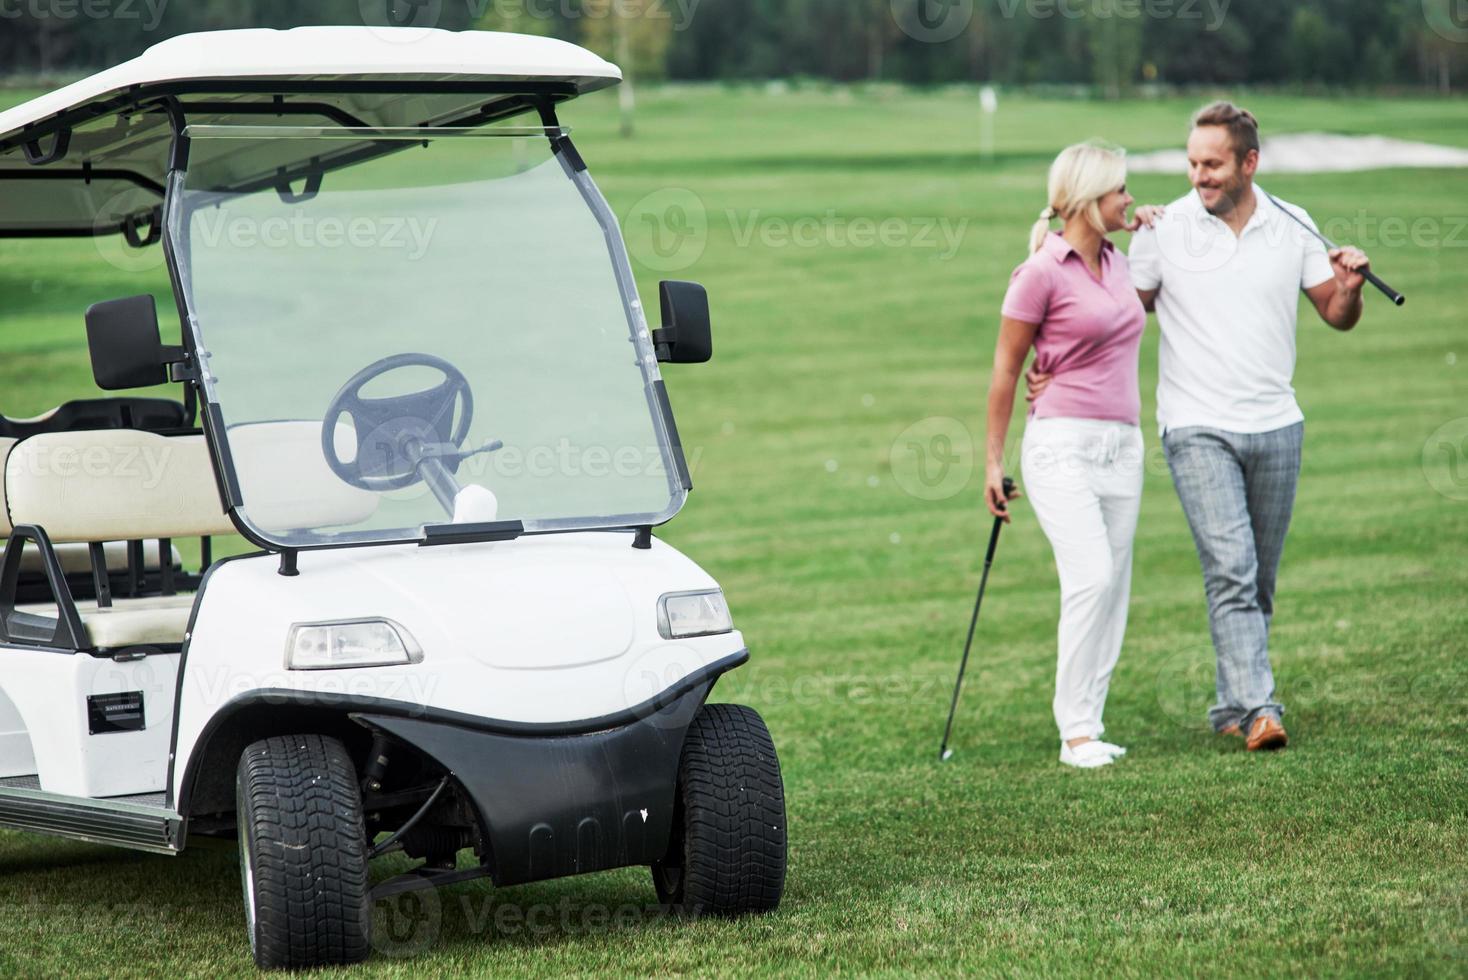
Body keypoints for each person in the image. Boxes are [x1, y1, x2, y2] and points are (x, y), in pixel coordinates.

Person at [1028, 102, 1373, 752]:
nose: (1198, 177)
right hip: (1194, 427)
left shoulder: (1292, 223)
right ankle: (1260, 708)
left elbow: (1335, 312)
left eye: (1211, 164)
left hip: (1277, 425)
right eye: (1192, 163)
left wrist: (1350, 286)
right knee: (1232, 570)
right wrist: (1051, 369)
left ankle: (1230, 702)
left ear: (1249, 163)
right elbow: (1109, 314)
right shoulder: (1164, 230)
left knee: (1257, 579)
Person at [985, 141, 1159, 770]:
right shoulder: (1039, 273)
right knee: (1092, 577)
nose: (1130, 199)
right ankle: (1073, 733)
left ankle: (1091, 720)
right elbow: (1006, 371)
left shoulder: (1119, 261)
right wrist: (991, 464)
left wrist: (1154, 228)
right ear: (1089, 200)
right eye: (1122, 192)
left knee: (1114, 587)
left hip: (1124, 447)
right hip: (1060, 446)